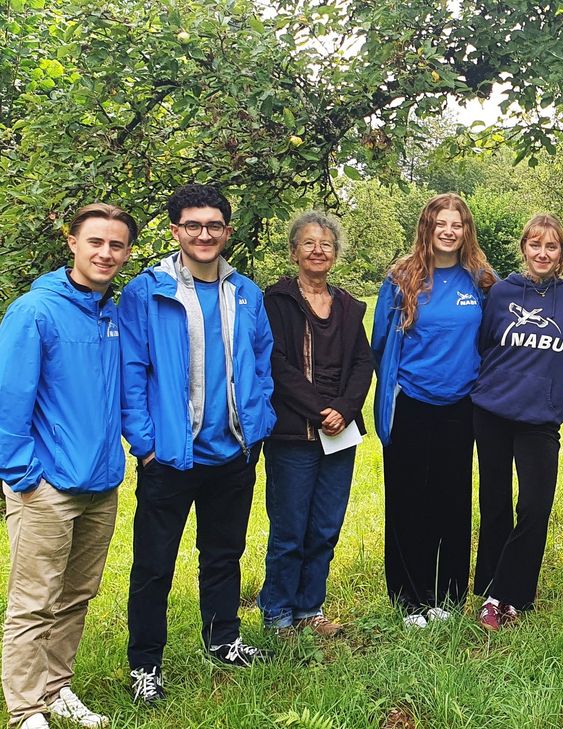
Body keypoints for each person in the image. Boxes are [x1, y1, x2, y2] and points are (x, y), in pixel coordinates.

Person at [119, 184, 276, 704]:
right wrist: (146, 444)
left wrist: (259, 420)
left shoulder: (246, 293)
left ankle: (223, 640)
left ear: (227, 232)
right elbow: (132, 371)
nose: (203, 234)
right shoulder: (147, 291)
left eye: (213, 225)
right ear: (176, 231)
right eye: (193, 225)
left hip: (233, 452)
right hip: (169, 456)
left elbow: (262, 361)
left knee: (224, 555)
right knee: (153, 566)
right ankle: (145, 665)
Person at [1, 204, 136, 729]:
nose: (106, 253)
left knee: (77, 596)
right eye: (95, 242)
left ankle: (56, 689)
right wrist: (23, 476)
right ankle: (25, 710)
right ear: (72, 243)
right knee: (34, 601)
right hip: (46, 487)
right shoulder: (35, 311)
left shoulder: (111, 314)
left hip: (100, 483)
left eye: (116, 245)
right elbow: (10, 400)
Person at [371, 193, 496, 628]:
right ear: (427, 227)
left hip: (461, 406)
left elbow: (493, 340)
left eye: (456, 224)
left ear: (466, 231)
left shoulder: (481, 280)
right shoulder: (401, 278)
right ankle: (409, 598)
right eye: (441, 223)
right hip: (411, 403)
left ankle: (448, 595)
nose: (448, 231)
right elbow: (380, 344)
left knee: (452, 502)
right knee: (408, 501)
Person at [471, 214, 563, 630]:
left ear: (562, 254)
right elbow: (484, 344)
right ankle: (492, 596)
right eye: (535, 244)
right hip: (492, 411)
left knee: (535, 507)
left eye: (551, 246)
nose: (542, 253)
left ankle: (513, 593)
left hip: (541, 417)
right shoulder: (501, 293)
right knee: (496, 504)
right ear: (524, 248)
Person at [259, 211, 373, 638]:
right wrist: (319, 410)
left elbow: (363, 363)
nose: (318, 250)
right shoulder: (276, 302)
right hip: (293, 433)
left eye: (326, 244)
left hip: (340, 432)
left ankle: (310, 609)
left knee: (325, 527)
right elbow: (276, 364)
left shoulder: (348, 306)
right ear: (294, 252)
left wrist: (343, 408)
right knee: (289, 529)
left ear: (335, 254)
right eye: (308, 243)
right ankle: (278, 614)